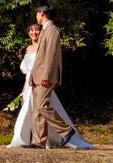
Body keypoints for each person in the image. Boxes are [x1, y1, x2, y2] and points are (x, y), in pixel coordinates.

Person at [6, 13, 95, 149]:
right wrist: (26, 85)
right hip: (31, 82)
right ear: (28, 33)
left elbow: (49, 60)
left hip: (43, 79)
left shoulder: (48, 36)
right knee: (37, 111)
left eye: (37, 30)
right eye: (31, 30)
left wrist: (46, 77)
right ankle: (38, 141)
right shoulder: (28, 48)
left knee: (42, 107)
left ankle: (66, 130)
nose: (34, 32)